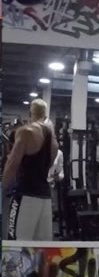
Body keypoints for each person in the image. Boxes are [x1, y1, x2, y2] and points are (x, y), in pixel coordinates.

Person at [3, 99, 58, 240]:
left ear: (30, 113)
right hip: (45, 198)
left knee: (17, 245)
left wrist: (3, 187)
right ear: (45, 114)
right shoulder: (53, 140)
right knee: (41, 247)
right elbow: (48, 165)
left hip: (25, 195)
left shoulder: (26, 131)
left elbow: (12, 163)